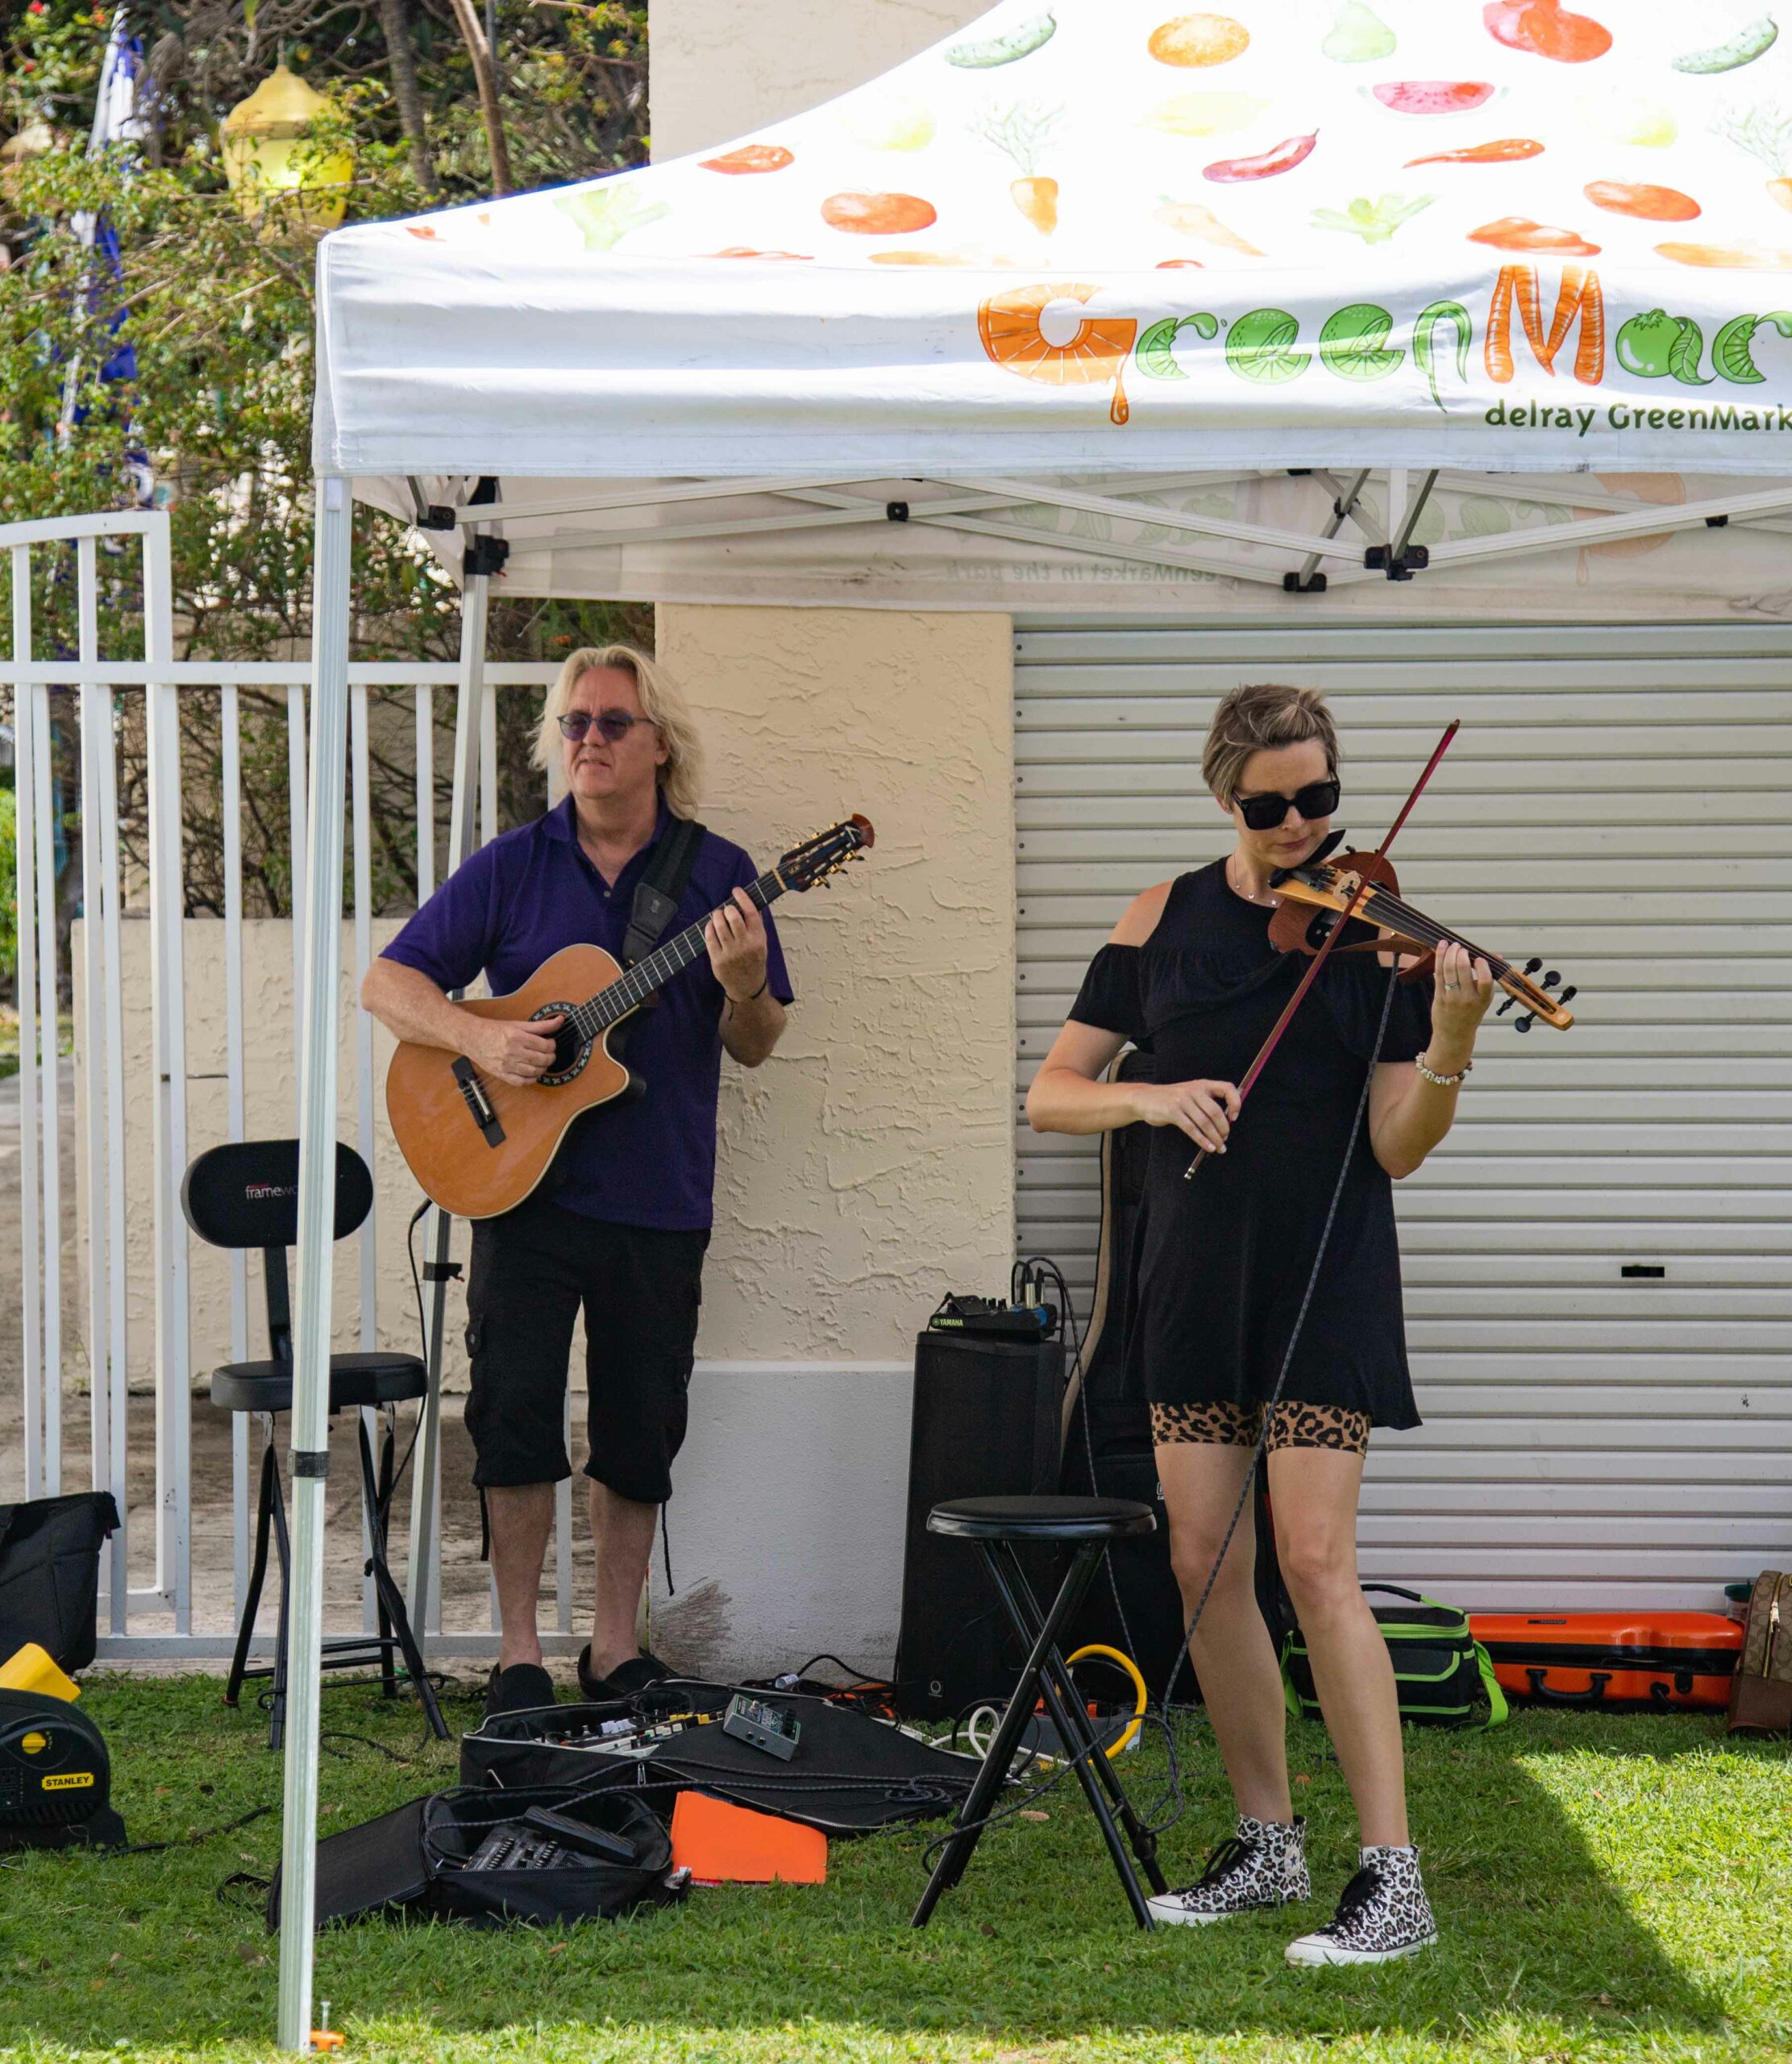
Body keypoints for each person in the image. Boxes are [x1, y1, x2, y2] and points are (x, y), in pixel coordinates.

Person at [1025, 682, 1491, 1967]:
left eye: (1322, 799)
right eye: (1272, 805)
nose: (1303, 826)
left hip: (1324, 1277)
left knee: (1316, 1562)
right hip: (1195, 1280)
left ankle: (1393, 1878)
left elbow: (1396, 1143)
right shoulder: (1158, 920)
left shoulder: (1386, 945)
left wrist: (1448, 1036)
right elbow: (1052, 1094)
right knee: (1200, 1565)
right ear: (1225, 799)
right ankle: (1266, 1841)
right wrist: (1153, 1097)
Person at [364, 643, 793, 1719]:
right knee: (513, 1419)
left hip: (659, 1199)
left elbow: (756, 1044)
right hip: (523, 1197)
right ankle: (518, 1652)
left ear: (659, 744)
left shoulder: (720, 873)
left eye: (611, 723)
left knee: (640, 1427)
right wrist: (478, 1037)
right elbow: (388, 980)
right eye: (575, 724)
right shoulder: (517, 863)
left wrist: (744, 987)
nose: (589, 741)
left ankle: (613, 1648)